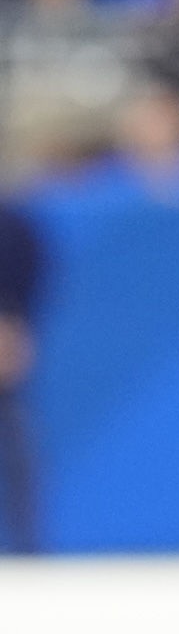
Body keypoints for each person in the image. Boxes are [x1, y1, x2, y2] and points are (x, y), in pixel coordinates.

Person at [0, 201, 38, 553]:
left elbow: (28, 261)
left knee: (14, 449)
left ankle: (26, 550)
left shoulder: (10, 221)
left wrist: (13, 318)